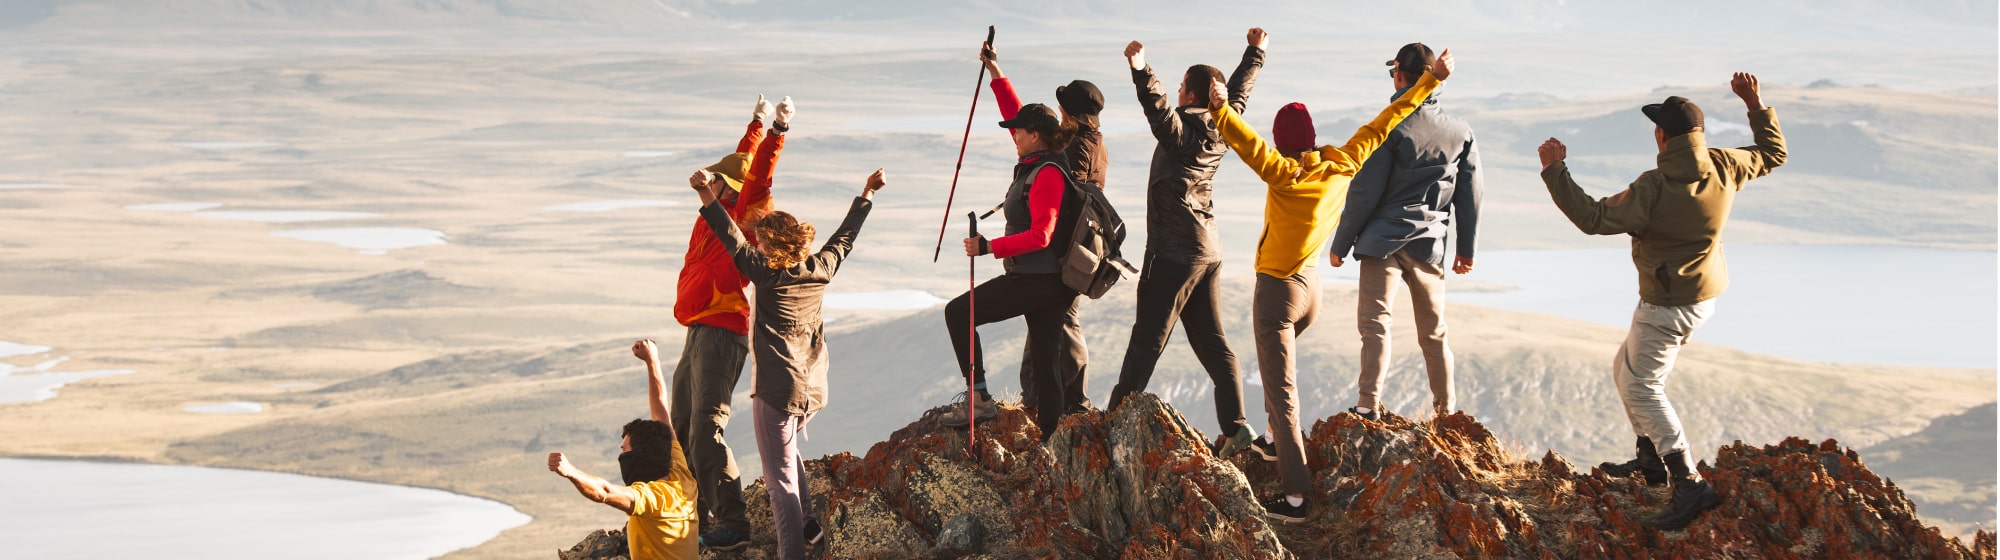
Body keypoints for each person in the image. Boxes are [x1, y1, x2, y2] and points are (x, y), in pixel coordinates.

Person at [1208, 49, 1453, 524]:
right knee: (1275, 372)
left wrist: (1220, 107)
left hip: (1278, 292)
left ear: (1282, 144)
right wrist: (1428, 81)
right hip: (1311, 290)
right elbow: (1386, 120)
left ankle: (1296, 498)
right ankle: (1274, 442)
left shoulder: (1282, 174)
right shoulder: (1342, 161)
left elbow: (1247, 143)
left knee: (1282, 393)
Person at [1537, 72, 1785, 531]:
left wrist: (1555, 170)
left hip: (1666, 305)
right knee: (1624, 368)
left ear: (1661, 135)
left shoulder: (1654, 186)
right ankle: (1650, 463)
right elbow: (1774, 153)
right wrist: (1754, 103)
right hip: (1701, 295)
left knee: (1642, 387)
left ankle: (1689, 483)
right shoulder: (1724, 164)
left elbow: (1592, 218)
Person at [699, 168, 887, 559]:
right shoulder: (821, 269)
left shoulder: (767, 275)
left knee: (778, 480)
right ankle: (809, 525)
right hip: (813, 387)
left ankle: (793, 553)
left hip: (776, 389)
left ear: (771, 245)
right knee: (785, 452)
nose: (757, 245)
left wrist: (705, 193)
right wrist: (866, 193)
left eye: (762, 241)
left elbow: (731, 239)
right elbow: (845, 238)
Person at [1104, 27, 1267, 458]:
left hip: (1173, 251)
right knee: (1213, 341)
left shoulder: (1182, 134)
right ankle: (1237, 430)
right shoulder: (1224, 125)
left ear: (1191, 94)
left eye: (1180, 86)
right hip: (1207, 251)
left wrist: (1141, 71)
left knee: (1147, 340)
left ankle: (1111, 423)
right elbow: (1239, 95)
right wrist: (1254, 53)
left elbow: (1159, 112)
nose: (1175, 92)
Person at [1326, 42, 1485, 421]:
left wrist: (1341, 243)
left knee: (1375, 326)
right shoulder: (1461, 131)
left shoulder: (1391, 124)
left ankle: (1368, 405)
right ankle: (1446, 414)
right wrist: (1466, 249)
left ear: (1399, 74)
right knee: (1434, 333)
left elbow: (1366, 190)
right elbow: (1470, 194)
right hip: (1429, 245)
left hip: (1382, 241)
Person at [667, 94, 795, 551]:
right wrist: (755, 121)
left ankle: (733, 524)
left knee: (706, 426)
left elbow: (757, 173)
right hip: (697, 330)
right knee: (681, 425)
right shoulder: (711, 212)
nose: (712, 183)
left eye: (719, 181)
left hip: (723, 333)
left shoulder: (743, 217)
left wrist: (777, 130)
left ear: (729, 189)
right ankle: (695, 515)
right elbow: (744, 157)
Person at [937, 101, 1087, 443]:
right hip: (1052, 282)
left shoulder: (1046, 173)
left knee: (959, 313)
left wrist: (990, 247)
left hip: (1036, 281)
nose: (1013, 135)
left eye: (1018, 130)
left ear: (1036, 135)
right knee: (1046, 360)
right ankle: (1051, 435)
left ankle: (978, 399)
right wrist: (994, 73)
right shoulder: (1040, 163)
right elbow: (1016, 109)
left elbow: (1041, 235)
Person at [979, 43, 1102, 415]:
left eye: (1062, 107)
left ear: (1069, 114)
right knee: (1053, 327)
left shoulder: (1073, 148)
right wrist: (997, 75)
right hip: (1070, 255)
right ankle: (1050, 403)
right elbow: (1023, 124)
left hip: (1057, 257)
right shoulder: (1090, 143)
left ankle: (1066, 405)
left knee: (1059, 324)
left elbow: (1028, 130)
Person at [547, 340, 701, 560]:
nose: (622, 457)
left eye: (625, 451)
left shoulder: (654, 498)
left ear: (640, 456)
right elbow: (662, 418)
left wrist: (570, 471)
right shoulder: (680, 476)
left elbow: (605, 492)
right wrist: (652, 361)